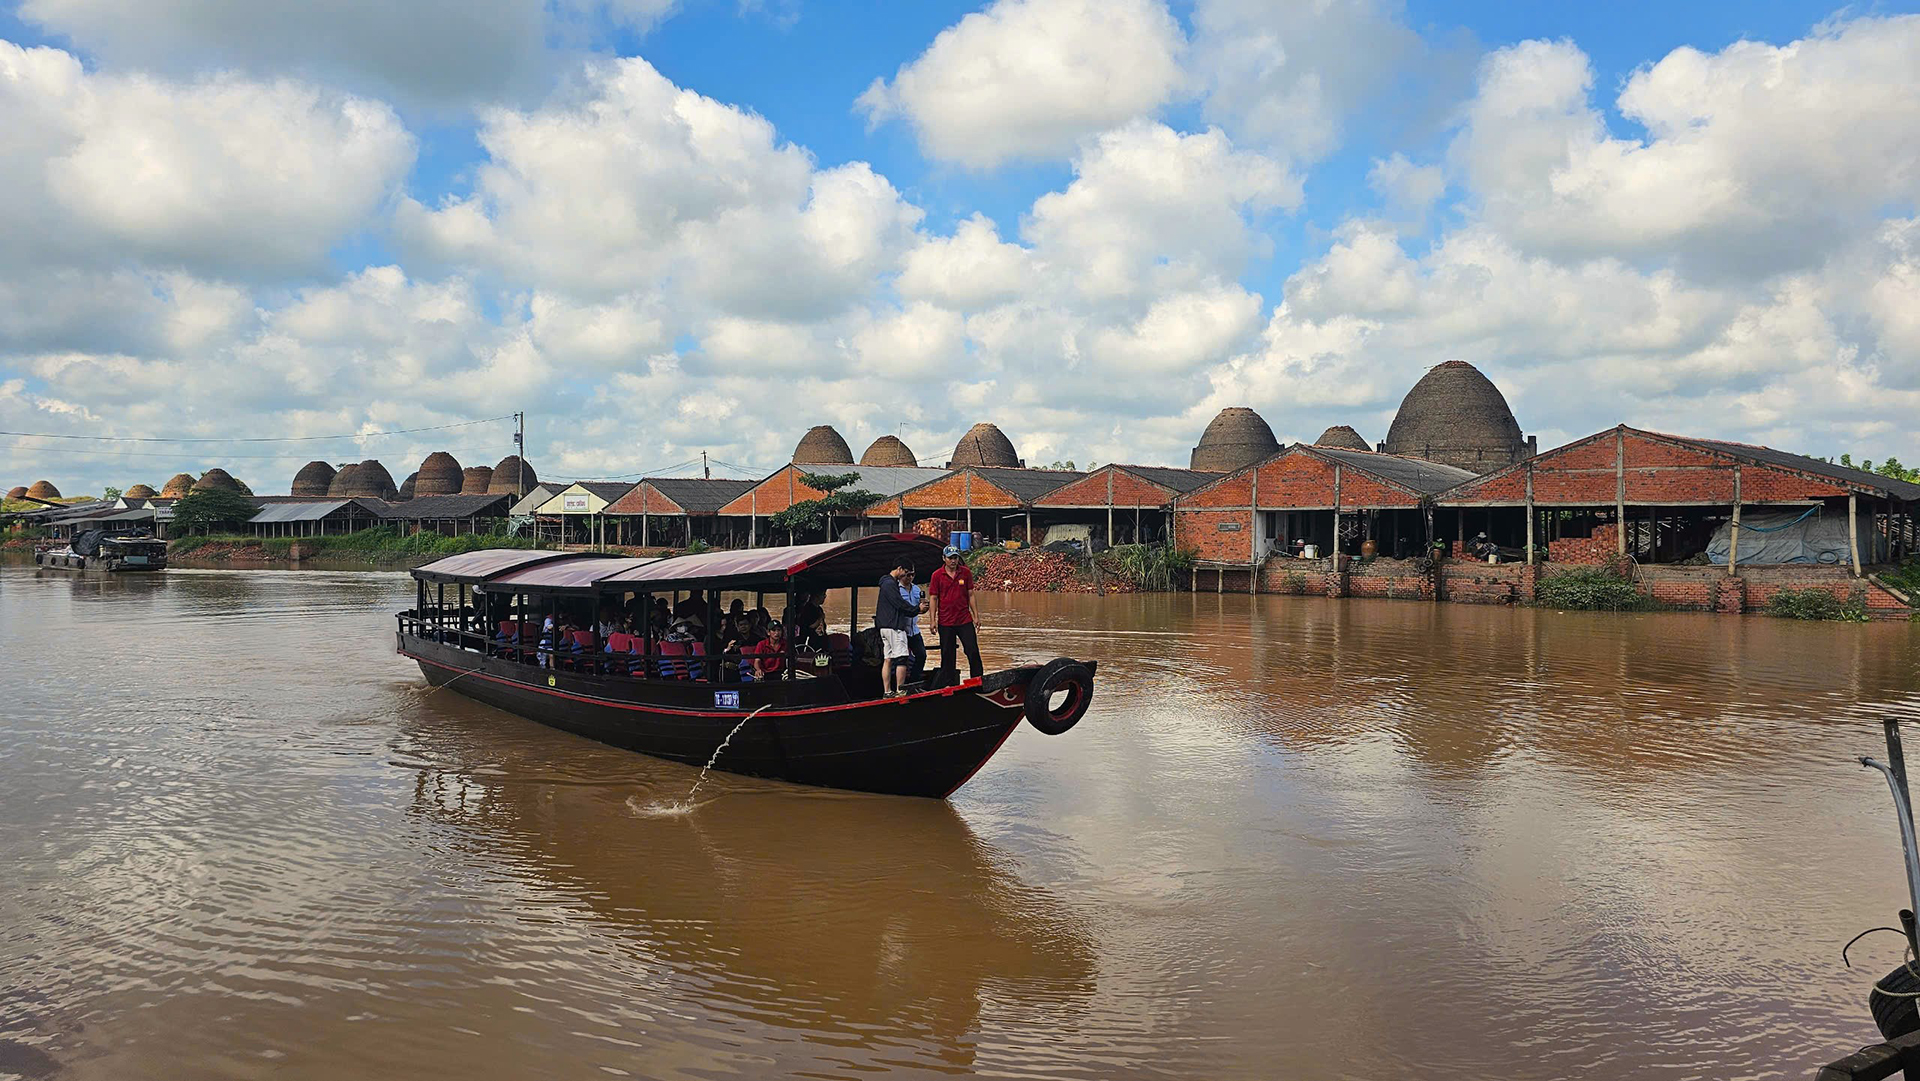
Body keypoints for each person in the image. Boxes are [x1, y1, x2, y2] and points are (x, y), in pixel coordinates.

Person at [928, 545, 982, 683]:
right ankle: (948, 683)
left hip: (964, 619)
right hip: (945, 622)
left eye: (955, 558)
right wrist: (932, 620)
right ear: (944, 559)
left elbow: (971, 595)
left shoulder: (965, 573)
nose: (953, 561)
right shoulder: (936, 575)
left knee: (972, 650)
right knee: (947, 654)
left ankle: (977, 680)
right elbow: (933, 598)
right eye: (950, 558)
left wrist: (976, 616)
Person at [874, 558, 925, 698]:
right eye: (906, 572)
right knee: (902, 658)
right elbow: (900, 604)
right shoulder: (890, 584)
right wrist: (917, 609)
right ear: (900, 568)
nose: (906, 576)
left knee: (888, 658)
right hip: (894, 626)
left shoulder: (886, 583)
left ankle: (887, 691)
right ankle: (900, 691)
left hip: (884, 627)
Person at [903, 573, 927, 683]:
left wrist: (924, 607)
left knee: (921, 655)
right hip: (901, 629)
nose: (910, 577)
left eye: (912, 575)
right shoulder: (896, 590)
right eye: (907, 575)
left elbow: (921, 608)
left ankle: (913, 682)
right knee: (901, 659)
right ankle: (900, 684)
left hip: (914, 629)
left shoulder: (916, 589)